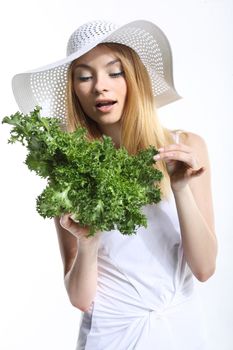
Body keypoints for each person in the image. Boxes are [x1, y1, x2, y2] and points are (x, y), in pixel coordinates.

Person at [12, 20, 217, 349]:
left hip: (183, 332)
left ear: (134, 78)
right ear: (75, 90)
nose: (99, 87)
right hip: (111, 336)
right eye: (84, 76)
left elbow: (205, 268)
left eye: (114, 72)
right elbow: (80, 299)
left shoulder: (187, 147)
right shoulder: (69, 173)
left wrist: (180, 188)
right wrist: (89, 242)